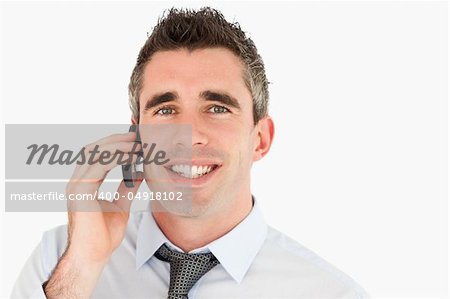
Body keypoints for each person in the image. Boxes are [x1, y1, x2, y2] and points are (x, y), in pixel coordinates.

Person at [12, 7, 368, 298]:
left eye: (217, 108)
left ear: (260, 138)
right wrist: (83, 268)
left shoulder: (330, 293)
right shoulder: (58, 259)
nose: (189, 135)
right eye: (166, 110)